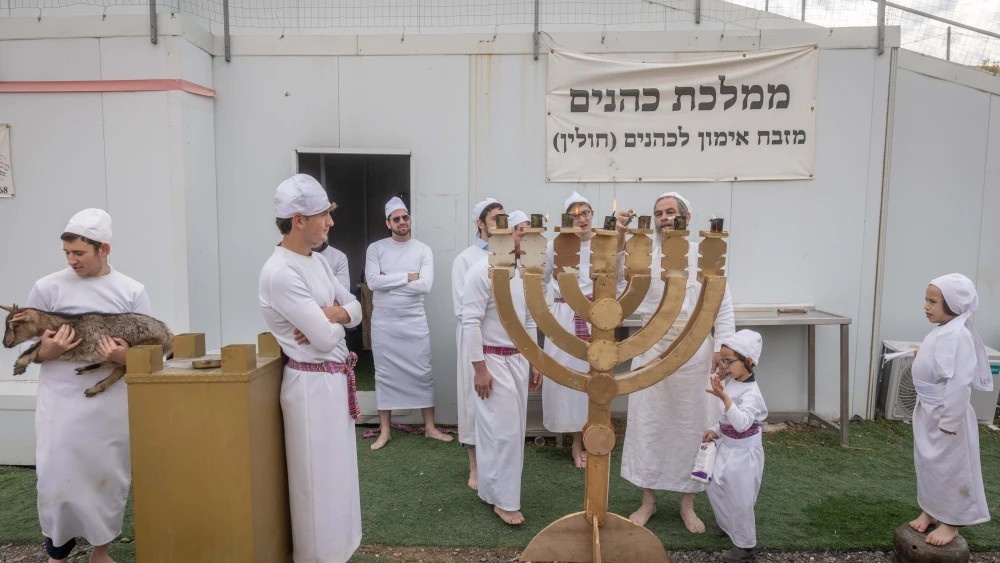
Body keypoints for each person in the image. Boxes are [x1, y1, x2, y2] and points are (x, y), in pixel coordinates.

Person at [22, 208, 150, 563]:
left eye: (79, 253)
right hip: (60, 401)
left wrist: (126, 358)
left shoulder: (131, 291)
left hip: (109, 405)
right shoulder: (47, 288)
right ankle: (57, 552)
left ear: (104, 249)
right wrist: (48, 350)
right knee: (55, 473)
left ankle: (101, 552)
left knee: (106, 473)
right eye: (67, 253)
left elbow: (151, 352)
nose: (72, 261)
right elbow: (27, 347)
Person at [259, 174, 364, 563]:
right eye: (324, 215)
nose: (331, 222)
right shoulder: (280, 272)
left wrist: (331, 314)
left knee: (338, 479)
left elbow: (355, 309)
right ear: (299, 219)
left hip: (332, 384)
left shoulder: (317, 261)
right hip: (310, 387)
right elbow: (322, 339)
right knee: (316, 484)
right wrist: (335, 321)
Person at [617, 192, 735, 533]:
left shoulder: (704, 257)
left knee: (691, 426)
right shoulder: (643, 257)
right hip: (650, 347)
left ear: (685, 216)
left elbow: (723, 305)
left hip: (695, 351)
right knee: (649, 424)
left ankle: (688, 503)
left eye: (671, 212)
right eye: (658, 213)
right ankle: (648, 501)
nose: (664, 217)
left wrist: (723, 350)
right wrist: (622, 239)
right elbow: (614, 283)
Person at [462, 210, 542, 525]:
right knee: (503, 432)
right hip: (492, 360)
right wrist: (480, 368)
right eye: (522, 232)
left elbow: (530, 319)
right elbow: (470, 322)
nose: (528, 238)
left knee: (508, 431)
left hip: (519, 360)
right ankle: (504, 501)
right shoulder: (481, 271)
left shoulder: (523, 273)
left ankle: (492, 491)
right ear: (507, 235)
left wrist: (536, 359)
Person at [906, 273, 992, 546]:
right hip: (929, 411)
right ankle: (932, 510)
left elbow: (959, 382)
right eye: (926, 300)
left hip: (946, 415)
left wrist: (950, 420)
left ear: (953, 305)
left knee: (950, 468)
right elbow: (941, 365)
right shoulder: (942, 330)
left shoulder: (960, 336)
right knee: (929, 464)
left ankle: (951, 523)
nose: (926, 306)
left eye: (933, 301)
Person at [541, 191, 625, 468]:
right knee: (570, 380)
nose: (581, 219)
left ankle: (596, 436)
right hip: (565, 318)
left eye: (585, 212)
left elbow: (619, 278)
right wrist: (546, 314)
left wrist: (617, 308)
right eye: (574, 215)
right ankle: (576, 442)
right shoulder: (556, 245)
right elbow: (541, 280)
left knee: (597, 377)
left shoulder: (605, 243)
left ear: (593, 214)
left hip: (597, 319)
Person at [365, 197, 452, 450]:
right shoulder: (376, 248)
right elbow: (372, 283)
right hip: (384, 323)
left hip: (414, 321)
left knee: (422, 371)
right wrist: (407, 277)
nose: (402, 222)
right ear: (388, 223)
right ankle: (385, 431)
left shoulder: (423, 249)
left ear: (410, 219)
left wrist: (389, 283)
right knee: (384, 373)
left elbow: (425, 286)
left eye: (405, 217)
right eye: (396, 219)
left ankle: (430, 427)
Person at [452, 197, 504, 490]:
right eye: (495, 219)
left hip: (503, 341)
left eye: (503, 217)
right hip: (475, 338)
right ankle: (474, 466)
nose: (501, 223)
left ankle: (495, 462)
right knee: (474, 400)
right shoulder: (466, 259)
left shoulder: (510, 257)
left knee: (497, 402)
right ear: (480, 224)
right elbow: (463, 308)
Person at [703, 330, 768, 563]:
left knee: (740, 498)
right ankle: (727, 524)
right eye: (723, 360)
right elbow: (726, 420)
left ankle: (745, 546)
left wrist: (725, 399)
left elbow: (741, 424)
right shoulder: (732, 384)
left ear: (748, 362)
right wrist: (715, 430)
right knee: (714, 485)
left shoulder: (752, 394)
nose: (724, 365)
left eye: (729, 361)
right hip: (727, 448)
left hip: (744, 454)